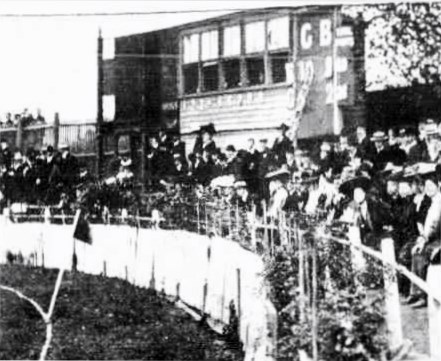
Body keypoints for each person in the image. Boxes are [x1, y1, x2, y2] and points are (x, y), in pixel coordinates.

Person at [408, 173, 441, 308]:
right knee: (415, 252)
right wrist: (422, 240)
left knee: (421, 255)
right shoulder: (432, 203)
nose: (428, 189)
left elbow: (435, 226)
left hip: (439, 241)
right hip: (433, 239)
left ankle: (422, 295)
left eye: (431, 186)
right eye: (426, 186)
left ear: (438, 186)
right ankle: (415, 293)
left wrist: (425, 241)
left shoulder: (439, 202)